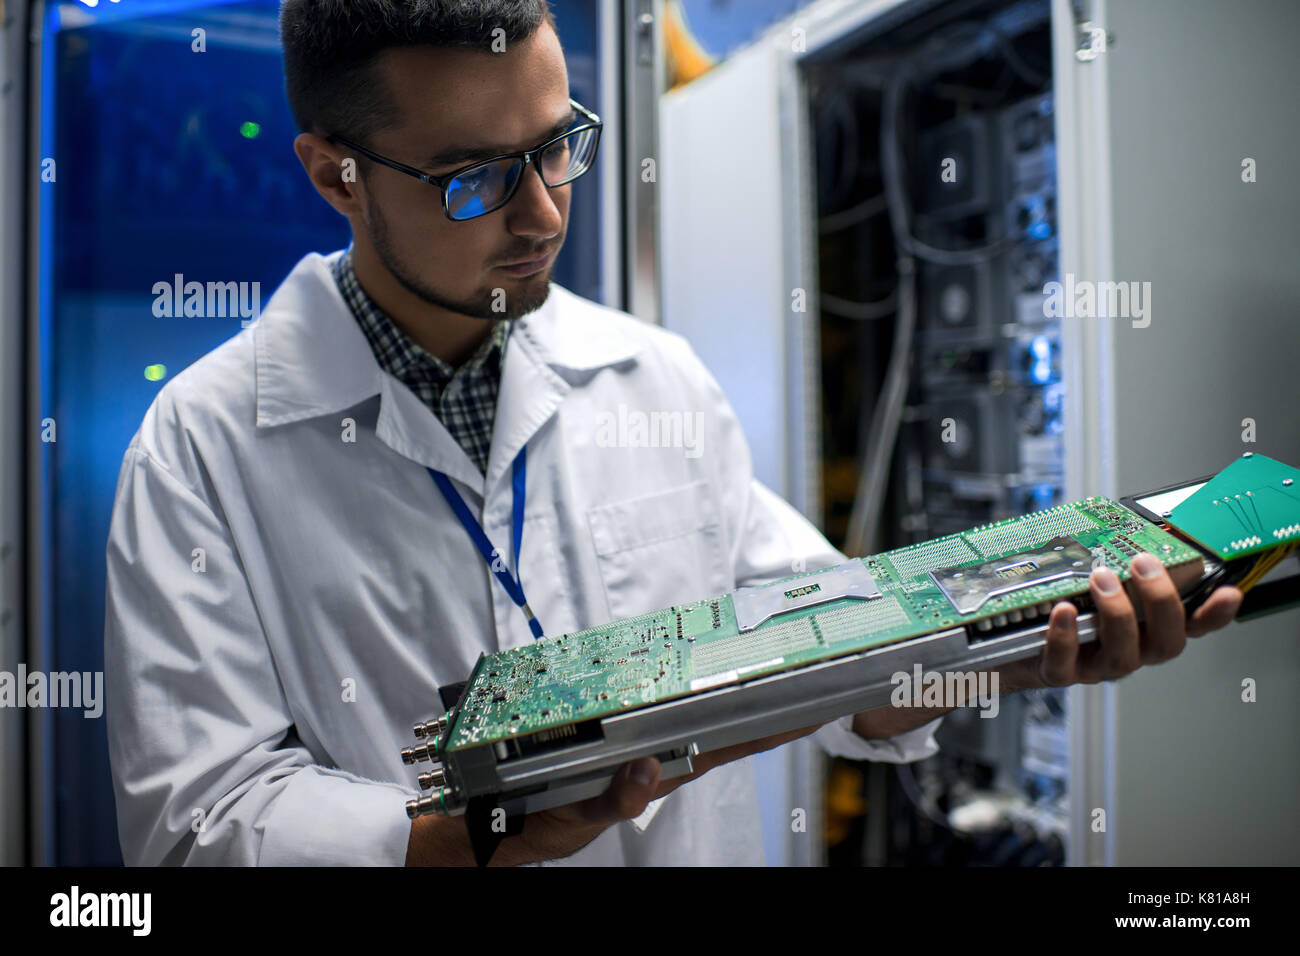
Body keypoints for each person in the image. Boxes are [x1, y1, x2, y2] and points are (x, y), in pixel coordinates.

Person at [104, 0, 1242, 867]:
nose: (545, 211)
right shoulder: (203, 447)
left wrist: (1006, 656)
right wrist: (479, 831)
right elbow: (194, 820)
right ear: (334, 175)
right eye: (474, 179)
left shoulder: (655, 377)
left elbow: (848, 677)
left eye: (558, 143)